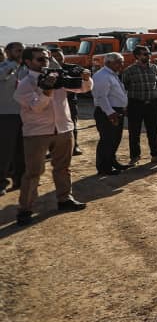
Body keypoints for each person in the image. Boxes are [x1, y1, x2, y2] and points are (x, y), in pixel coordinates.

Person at [13, 47, 91, 226]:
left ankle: (64, 199)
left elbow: (82, 89)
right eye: (40, 59)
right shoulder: (24, 83)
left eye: (46, 58)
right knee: (33, 173)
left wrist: (85, 78)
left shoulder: (58, 76)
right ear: (28, 62)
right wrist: (46, 89)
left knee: (63, 168)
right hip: (37, 133)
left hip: (63, 129)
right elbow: (37, 106)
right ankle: (25, 209)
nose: (45, 62)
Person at [121, 46, 157, 165]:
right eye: (145, 54)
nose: (148, 56)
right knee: (134, 132)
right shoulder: (129, 71)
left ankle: (156, 155)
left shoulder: (154, 68)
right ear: (137, 56)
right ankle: (135, 157)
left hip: (152, 105)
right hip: (135, 105)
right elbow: (123, 89)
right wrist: (124, 105)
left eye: (149, 53)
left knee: (153, 131)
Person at [91, 53, 131, 175]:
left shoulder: (112, 74)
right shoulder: (102, 76)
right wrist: (110, 113)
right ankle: (104, 168)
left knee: (115, 139)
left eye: (122, 62)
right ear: (108, 63)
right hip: (107, 112)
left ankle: (111, 162)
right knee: (107, 140)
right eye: (118, 62)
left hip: (115, 111)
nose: (121, 65)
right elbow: (101, 97)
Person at [0, 42, 26, 195]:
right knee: (4, 150)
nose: (21, 53)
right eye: (18, 51)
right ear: (8, 53)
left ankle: (20, 179)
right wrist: (13, 64)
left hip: (22, 114)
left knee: (21, 149)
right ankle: (1, 182)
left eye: (23, 51)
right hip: (5, 115)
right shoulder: (5, 67)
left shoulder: (25, 69)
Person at [49, 48, 83, 157]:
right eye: (54, 57)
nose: (57, 58)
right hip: (52, 103)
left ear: (64, 56)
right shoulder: (47, 70)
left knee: (72, 123)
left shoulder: (72, 67)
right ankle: (53, 148)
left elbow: (80, 72)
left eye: (59, 55)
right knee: (53, 126)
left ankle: (74, 146)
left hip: (69, 102)